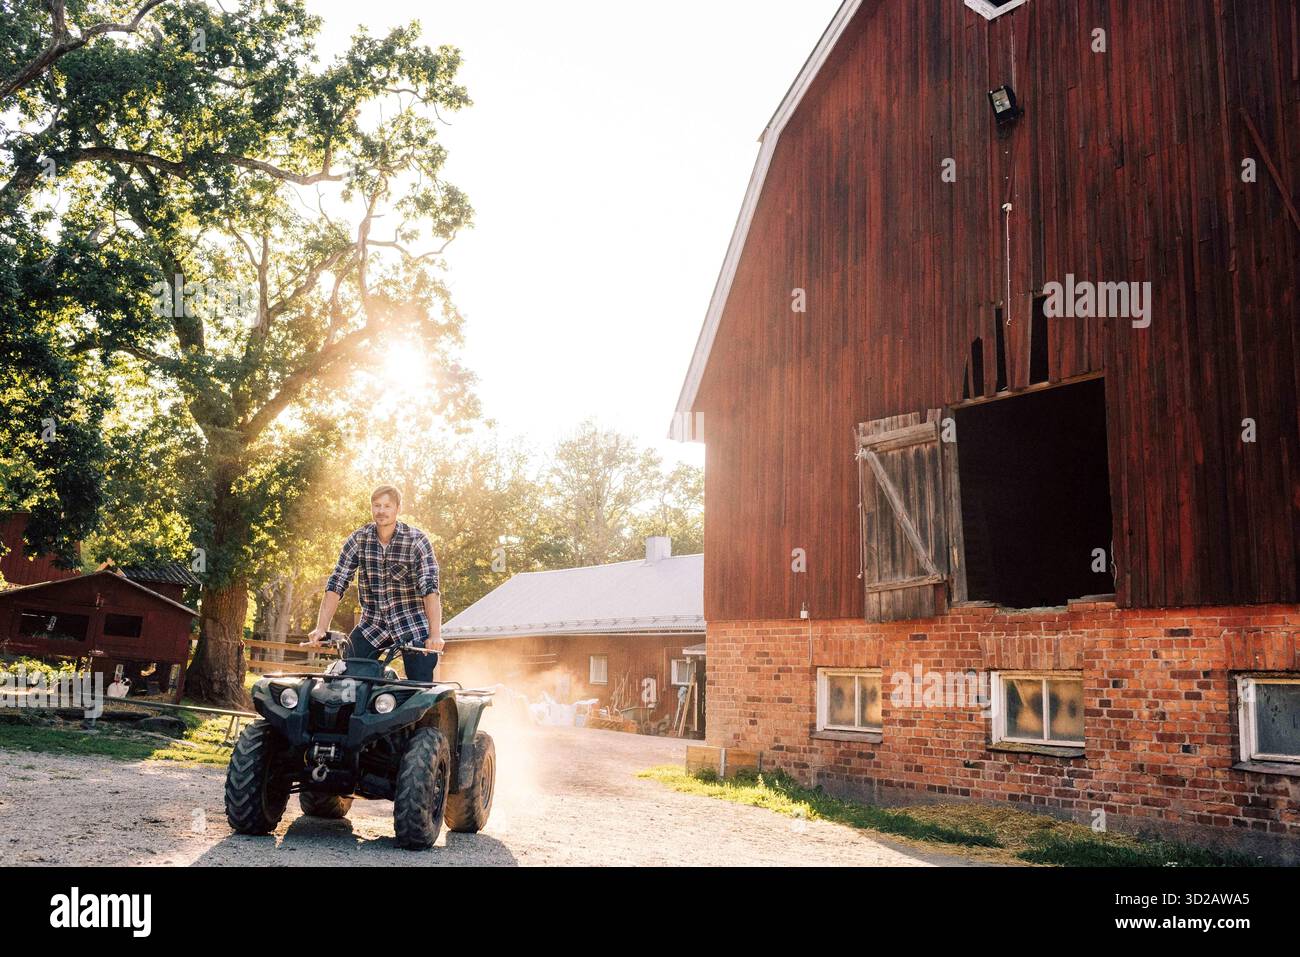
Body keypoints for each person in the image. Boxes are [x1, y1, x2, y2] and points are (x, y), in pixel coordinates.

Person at [305, 485, 444, 682]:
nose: (381, 511)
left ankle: (415, 707)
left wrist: (435, 635)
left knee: (419, 681)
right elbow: (337, 582)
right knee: (346, 673)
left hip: (411, 624)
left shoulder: (417, 540)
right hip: (373, 624)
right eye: (377, 505)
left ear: (398, 508)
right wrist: (321, 628)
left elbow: (430, 589)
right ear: (371, 507)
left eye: (387, 506)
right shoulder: (358, 539)